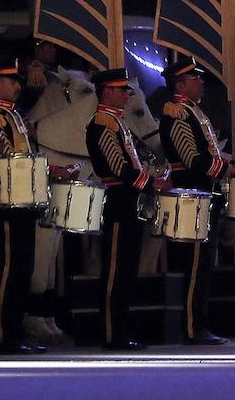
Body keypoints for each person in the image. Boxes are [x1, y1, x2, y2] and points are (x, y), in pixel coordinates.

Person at [86, 68, 171, 350]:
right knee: (115, 270)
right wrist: (152, 183)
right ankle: (111, 333)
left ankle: (120, 330)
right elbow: (117, 167)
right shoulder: (101, 123)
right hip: (119, 200)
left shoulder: (117, 123)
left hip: (130, 201)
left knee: (126, 269)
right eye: (121, 90)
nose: (125, 94)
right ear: (107, 91)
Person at [159, 57, 235, 346]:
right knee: (195, 263)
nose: (200, 82)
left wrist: (226, 161)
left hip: (203, 192)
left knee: (204, 262)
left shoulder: (193, 111)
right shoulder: (177, 111)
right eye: (194, 78)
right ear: (180, 84)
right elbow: (191, 158)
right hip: (192, 192)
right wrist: (229, 169)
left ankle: (199, 324)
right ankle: (193, 327)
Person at [0, 58, 56, 354]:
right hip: (6, 201)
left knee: (21, 269)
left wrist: (51, 170)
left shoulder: (12, 116)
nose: (18, 86)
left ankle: (14, 331)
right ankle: (3, 334)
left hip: (23, 201)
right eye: (12, 81)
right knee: (9, 269)